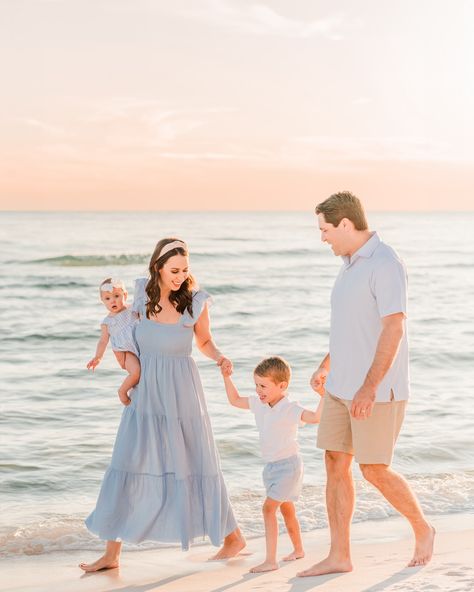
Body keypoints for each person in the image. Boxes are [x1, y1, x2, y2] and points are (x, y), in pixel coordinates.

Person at [80, 238, 245, 572]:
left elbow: (205, 340)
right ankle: (112, 554)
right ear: (158, 268)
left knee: (197, 461)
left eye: (185, 270)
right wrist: (123, 369)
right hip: (146, 391)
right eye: (174, 270)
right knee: (127, 461)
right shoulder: (140, 295)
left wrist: (220, 357)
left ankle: (233, 537)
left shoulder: (195, 301)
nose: (180, 276)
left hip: (182, 391)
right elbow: (121, 332)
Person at [297, 191, 435, 578]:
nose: (322, 237)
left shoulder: (385, 263)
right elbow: (350, 325)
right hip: (340, 386)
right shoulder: (348, 264)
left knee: (373, 468)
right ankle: (340, 555)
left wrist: (369, 387)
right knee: (334, 462)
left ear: (345, 224)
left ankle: (423, 529)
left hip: (376, 389)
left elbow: (394, 326)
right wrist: (327, 365)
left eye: (325, 229)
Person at [221, 356, 324, 573]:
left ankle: (270, 561)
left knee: (268, 509)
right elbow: (235, 400)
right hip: (270, 468)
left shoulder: (290, 408)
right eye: (257, 385)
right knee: (287, 510)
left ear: (282, 386)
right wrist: (226, 377)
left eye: (263, 386)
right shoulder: (260, 404)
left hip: (289, 467)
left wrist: (323, 395)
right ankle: (299, 550)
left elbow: (315, 417)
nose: (258, 390)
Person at [87, 278, 140, 406]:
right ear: (102, 301)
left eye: (117, 296)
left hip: (140, 346)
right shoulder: (107, 322)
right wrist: (98, 357)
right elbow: (103, 341)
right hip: (126, 352)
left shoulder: (132, 310)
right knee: (136, 372)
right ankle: (122, 391)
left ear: (125, 295)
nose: (113, 301)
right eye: (107, 298)